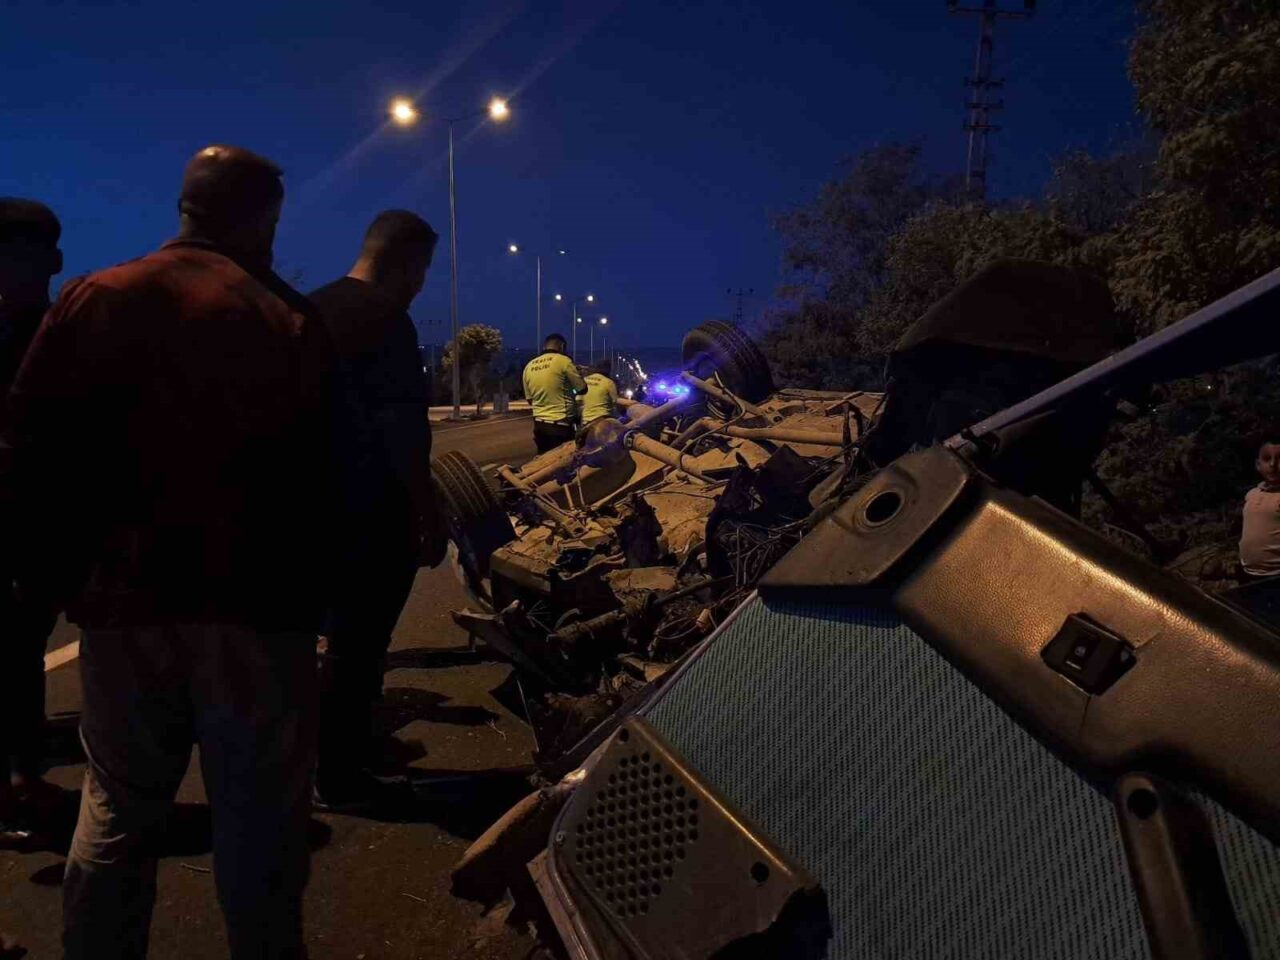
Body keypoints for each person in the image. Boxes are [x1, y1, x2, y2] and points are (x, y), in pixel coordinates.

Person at [0, 145, 336, 959]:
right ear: (259, 218)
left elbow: (31, 452)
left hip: (123, 605)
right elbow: (319, 474)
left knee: (117, 805)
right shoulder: (282, 316)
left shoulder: (96, 298)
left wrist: (50, 581)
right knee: (257, 818)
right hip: (252, 608)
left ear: (186, 208)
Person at [308, 210, 446, 811]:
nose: (420, 284)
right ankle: (340, 774)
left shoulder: (310, 308)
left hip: (311, 505)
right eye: (422, 271)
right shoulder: (388, 320)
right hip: (371, 510)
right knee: (358, 648)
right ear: (407, 262)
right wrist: (428, 512)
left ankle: (335, 751)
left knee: (327, 639)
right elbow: (402, 431)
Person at [0, 199, 65, 849]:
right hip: (18, 525)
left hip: (33, 526)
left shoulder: (44, 326)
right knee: (13, 655)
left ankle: (23, 778)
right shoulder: (33, 329)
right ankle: (13, 790)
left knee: (20, 657)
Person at [522, 333, 585, 452]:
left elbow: (530, 399)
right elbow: (582, 388)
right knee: (567, 464)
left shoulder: (529, 366)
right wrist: (572, 388)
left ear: (544, 347)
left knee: (542, 459)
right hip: (562, 426)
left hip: (539, 426)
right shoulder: (564, 361)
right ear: (561, 347)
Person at [1240, 440, 1280, 577]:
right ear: (1258, 465)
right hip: (1248, 572)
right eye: (1267, 458)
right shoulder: (1252, 494)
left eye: (1279, 459)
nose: (1273, 464)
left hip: (1275, 575)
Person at [579, 357, 619, 425]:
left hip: (586, 421)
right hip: (604, 418)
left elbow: (579, 400)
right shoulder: (609, 382)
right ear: (609, 370)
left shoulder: (584, 380)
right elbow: (615, 402)